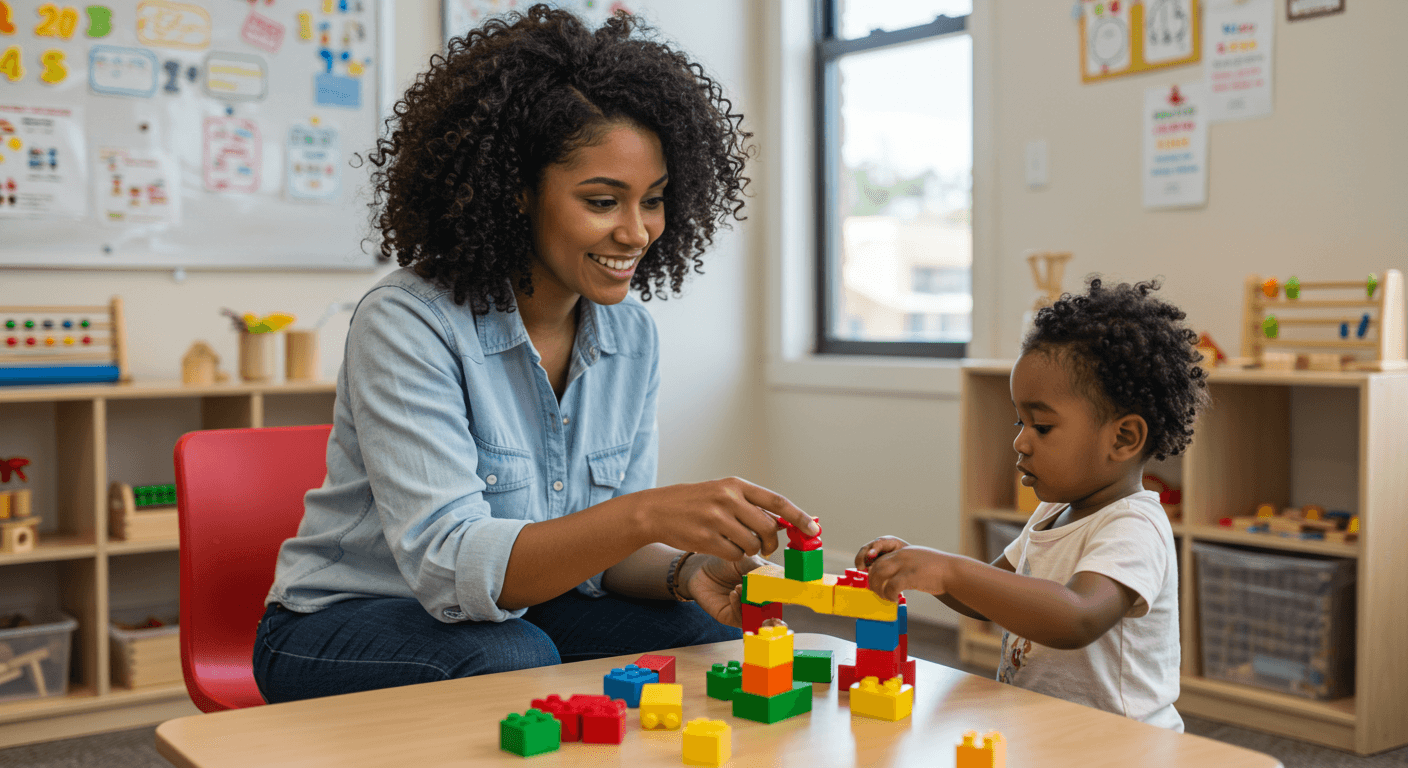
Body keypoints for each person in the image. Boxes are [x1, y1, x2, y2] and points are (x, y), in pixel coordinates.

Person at [253, 5, 818, 704]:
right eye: (603, 200)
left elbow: (600, 560)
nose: (637, 232)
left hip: (521, 613)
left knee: (701, 636)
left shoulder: (630, 336)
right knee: (514, 655)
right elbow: (448, 567)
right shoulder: (407, 321)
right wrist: (645, 513)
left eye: (655, 200)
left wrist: (687, 571)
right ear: (516, 192)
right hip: (336, 625)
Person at [855, 278, 1208, 731]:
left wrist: (951, 570)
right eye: (1020, 421)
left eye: (1041, 426)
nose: (1020, 441)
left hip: (1123, 747)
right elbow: (989, 598)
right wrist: (922, 569)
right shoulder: (1052, 513)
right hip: (1050, 733)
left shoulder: (1134, 526)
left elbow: (1076, 617)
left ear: (1122, 438)